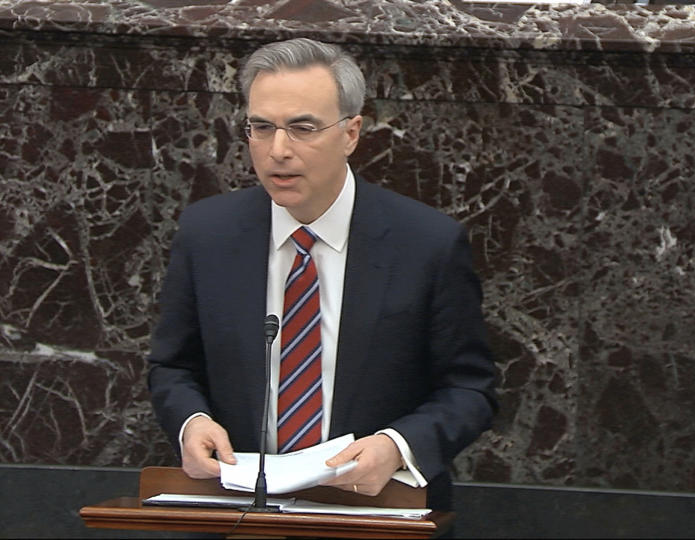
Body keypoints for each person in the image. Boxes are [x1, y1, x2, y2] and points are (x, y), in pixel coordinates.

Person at [146, 37, 497, 511]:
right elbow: (173, 365)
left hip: (373, 510)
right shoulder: (208, 234)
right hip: (237, 510)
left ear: (351, 133)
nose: (278, 150)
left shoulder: (427, 244)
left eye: (302, 128)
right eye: (262, 127)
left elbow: (469, 388)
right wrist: (191, 422)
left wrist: (397, 445)